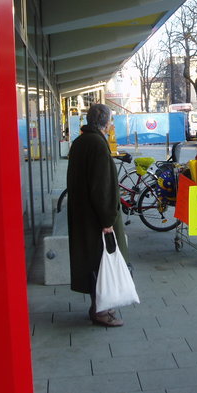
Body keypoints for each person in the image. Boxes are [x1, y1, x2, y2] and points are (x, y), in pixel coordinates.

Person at [67, 104, 127, 326]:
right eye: (111, 121)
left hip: (83, 214)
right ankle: (101, 311)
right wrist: (107, 220)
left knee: (93, 262)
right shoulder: (98, 145)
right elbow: (101, 187)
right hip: (96, 217)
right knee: (101, 263)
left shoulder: (80, 142)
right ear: (107, 123)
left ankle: (99, 308)